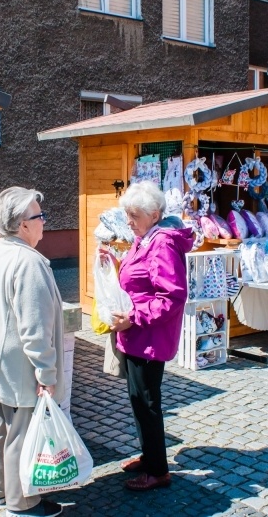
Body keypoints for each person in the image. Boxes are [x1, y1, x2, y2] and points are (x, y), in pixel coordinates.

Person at [0, 187, 65, 517]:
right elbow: (35, 330)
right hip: (15, 363)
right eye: (40, 216)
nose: (44, 222)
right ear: (23, 224)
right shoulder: (29, 262)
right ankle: (22, 504)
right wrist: (46, 375)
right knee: (20, 433)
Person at [105, 181, 194, 491]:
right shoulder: (145, 238)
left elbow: (172, 296)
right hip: (135, 334)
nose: (128, 221)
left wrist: (134, 317)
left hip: (148, 336)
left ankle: (158, 471)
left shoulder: (162, 243)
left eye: (133, 215)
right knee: (137, 399)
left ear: (154, 214)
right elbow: (138, 278)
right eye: (127, 214)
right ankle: (149, 455)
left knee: (147, 402)